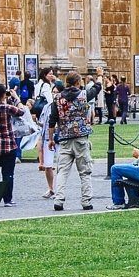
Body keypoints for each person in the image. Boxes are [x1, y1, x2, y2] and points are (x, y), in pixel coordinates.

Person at [49, 69, 103, 211]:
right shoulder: (83, 95)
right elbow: (97, 88)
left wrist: (50, 139)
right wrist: (100, 76)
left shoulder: (58, 98)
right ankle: (86, 201)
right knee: (85, 171)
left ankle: (59, 200)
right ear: (78, 82)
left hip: (64, 137)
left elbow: (52, 119)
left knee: (62, 171)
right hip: (80, 137)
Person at [37, 80, 63, 199]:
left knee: (61, 164)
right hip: (48, 138)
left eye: (57, 93)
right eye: (53, 92)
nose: (54, 95)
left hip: (60, 138)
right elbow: (42, 122)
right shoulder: (47, 107)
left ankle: (60, 188)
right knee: (48, 165)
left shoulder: (64, 106)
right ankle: (51, 188)